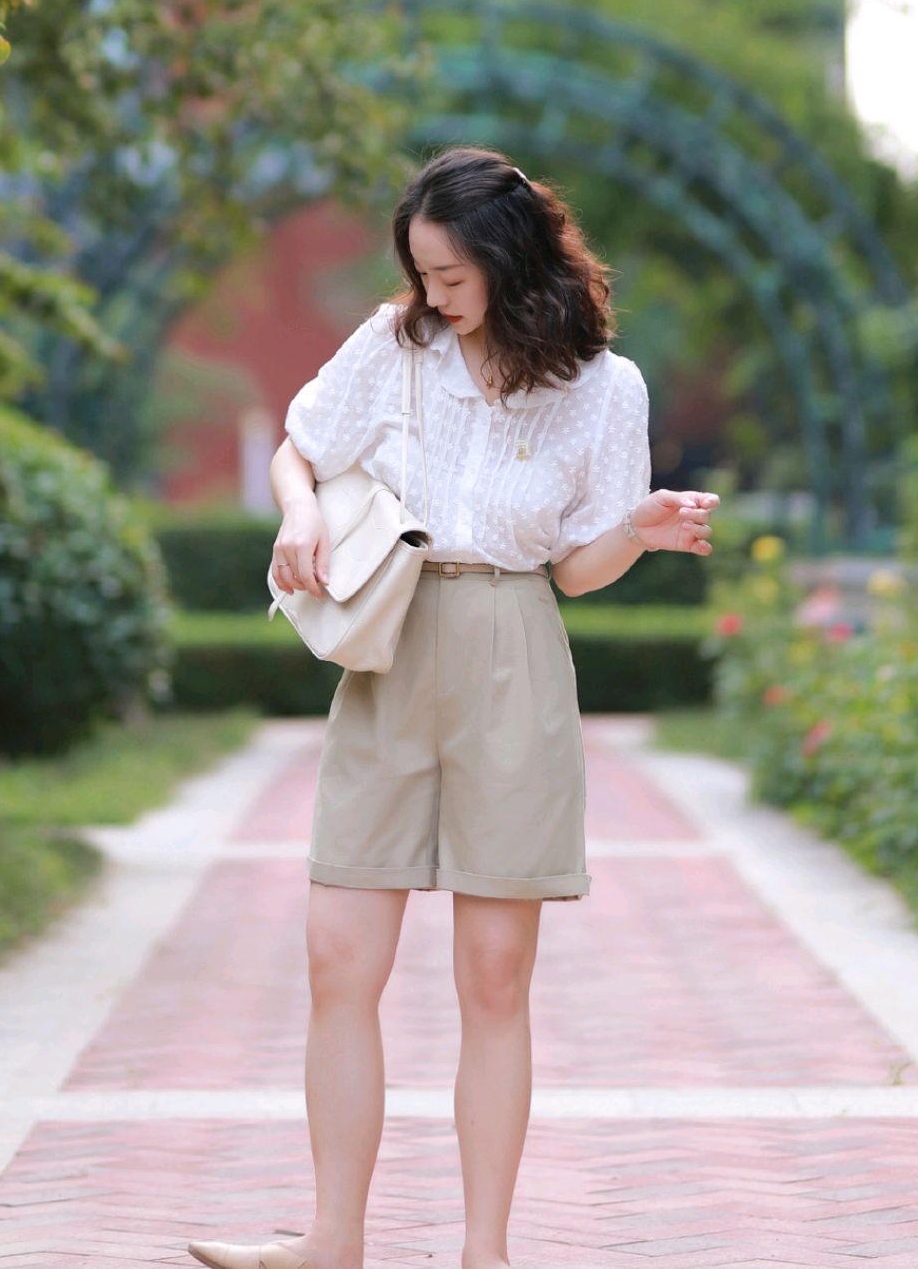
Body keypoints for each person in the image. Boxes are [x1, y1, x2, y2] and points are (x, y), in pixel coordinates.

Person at [188, 145, 719, 1269]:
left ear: (510, 258)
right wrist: (298, 516)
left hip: (512, 653)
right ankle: (332, 1241)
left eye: (449, 276)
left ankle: (487, 1253)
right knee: (339, 957)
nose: (432, 295)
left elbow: (575, 572)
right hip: (390, 648)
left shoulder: (604, 386)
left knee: (492, 977)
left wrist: (640, 529)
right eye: (421, 273)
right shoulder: (397, 346)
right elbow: (301, 445)